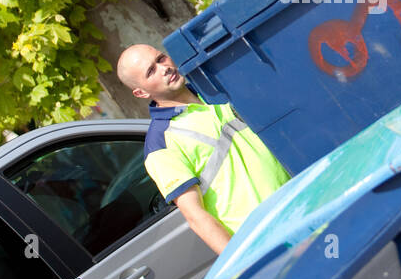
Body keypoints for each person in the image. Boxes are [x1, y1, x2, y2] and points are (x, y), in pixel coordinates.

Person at [116, 44, 290, 255]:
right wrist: (242, 266)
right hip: (264, 241)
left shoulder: (215, 87)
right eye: (151, 71)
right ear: (141, 92)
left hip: (300, 200)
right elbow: (196, 217)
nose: (164, 68)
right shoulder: (160, 146)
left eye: (161, 59)